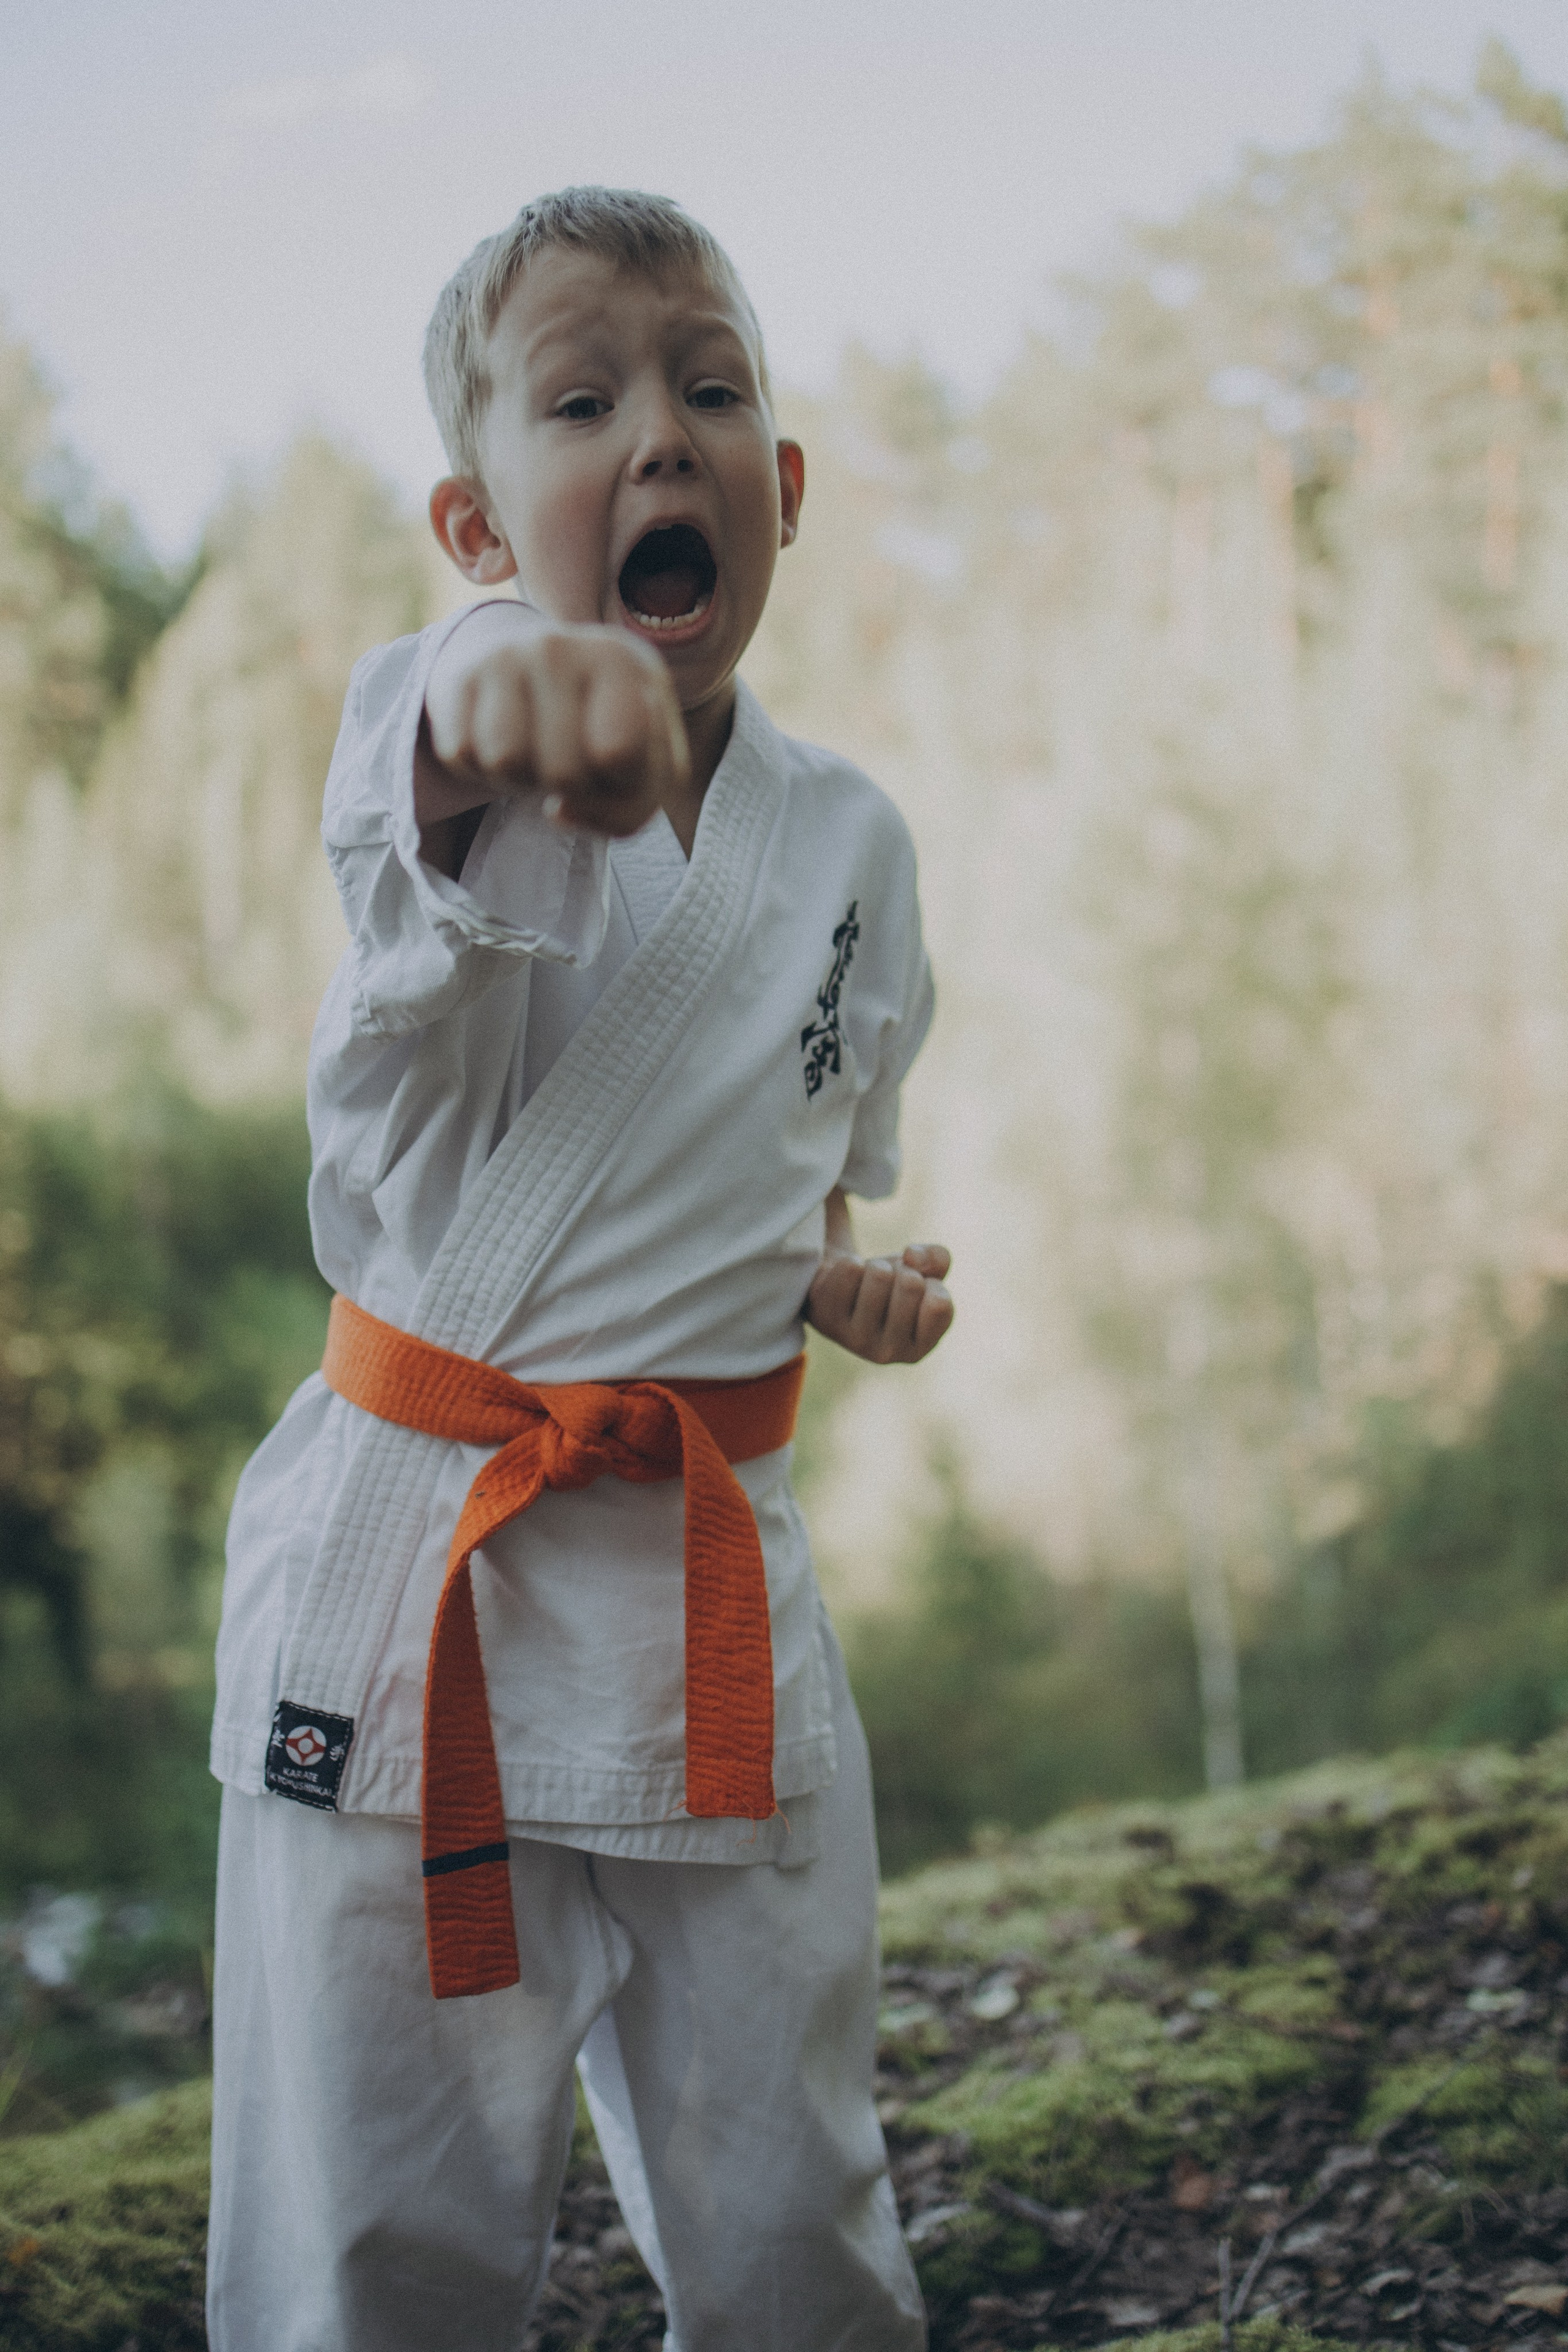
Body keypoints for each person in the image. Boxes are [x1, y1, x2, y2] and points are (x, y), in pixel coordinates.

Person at [205, 186, 951, 2352]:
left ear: (781, 490)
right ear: (472, 522)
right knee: (378, 2248)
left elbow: (789, 1159)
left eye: (712, 390)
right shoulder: (435, 737)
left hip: (714, 1589)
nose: (662, 438)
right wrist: (507, 684)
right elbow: (449, 739)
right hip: (421, 1578)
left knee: (796, 2204)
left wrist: (839, 1280)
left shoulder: (854, 848)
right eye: (585, 399)